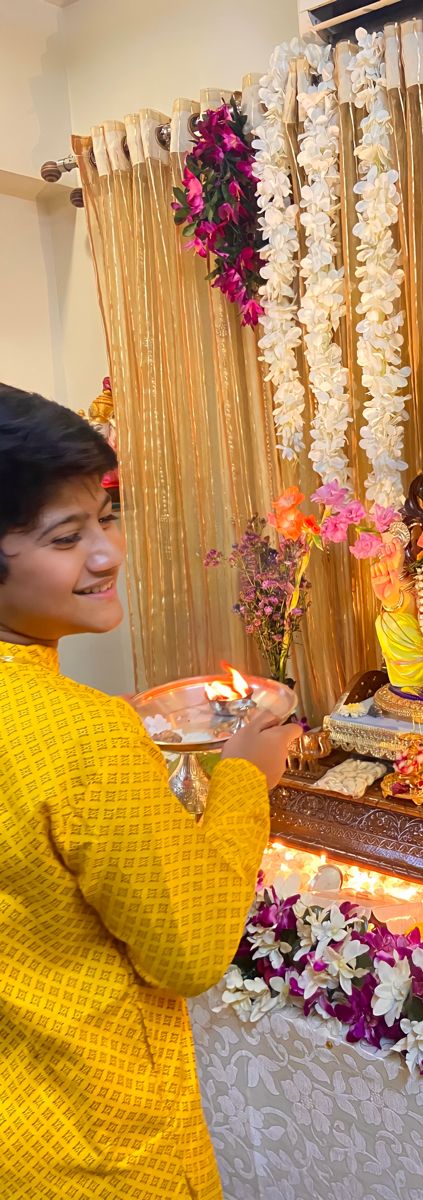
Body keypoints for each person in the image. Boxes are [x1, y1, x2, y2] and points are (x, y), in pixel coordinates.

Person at [0, 383, 298, 1200]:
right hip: (99, 1139)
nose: (107, 554)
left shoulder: (68, 725)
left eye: (105, 518)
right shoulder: (84, 736)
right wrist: (246, 777)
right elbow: (191, 949)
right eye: (67, 536)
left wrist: (127, 733)